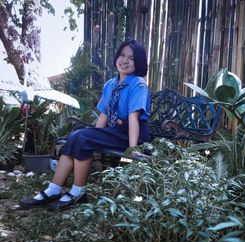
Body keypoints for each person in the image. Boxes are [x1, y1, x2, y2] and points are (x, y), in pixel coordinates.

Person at [19, 39, 152, 211]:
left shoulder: (138, 84)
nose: (125, 60)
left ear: (139, 62)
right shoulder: (110, 84)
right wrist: (94, 136)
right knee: (76, 137)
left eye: (131, 58)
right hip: (115, 131)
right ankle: (53, 189)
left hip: (133, 134)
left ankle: (78, 192)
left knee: (82, 138)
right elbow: (104, 114)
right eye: (122, 55)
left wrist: (133, 149)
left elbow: (134, 117)